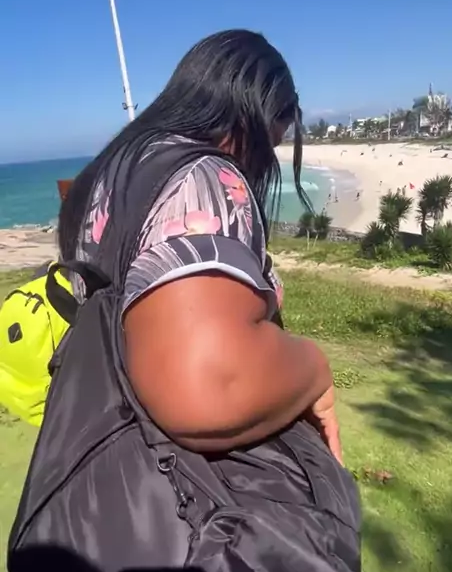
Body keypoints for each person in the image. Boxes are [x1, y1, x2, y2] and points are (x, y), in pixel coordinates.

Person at [59, 28, 341, 467]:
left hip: (103, 454)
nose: (266, 161)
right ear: (252, 118)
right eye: (270, 142)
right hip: (187, 487)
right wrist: (314, 368)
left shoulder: (107, 176)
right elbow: (210, 387)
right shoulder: (203, 178)